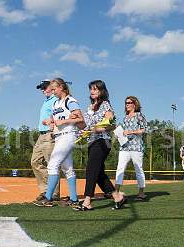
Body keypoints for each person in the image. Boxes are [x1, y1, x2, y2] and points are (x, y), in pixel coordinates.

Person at [74, 80, 125, 211]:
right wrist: (77, 124)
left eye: (95, 89)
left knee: (91, 169)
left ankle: (87, 201)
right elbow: (84, 126)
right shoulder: (89, 108)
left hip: (103, 141)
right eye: (91, 89)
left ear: (102, 91)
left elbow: (111, 124)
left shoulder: (106, 105)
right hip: (92, 142)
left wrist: (98, 129)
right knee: (99, 172)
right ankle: (117, 196)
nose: (92, 91)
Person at [33, 78, 85, 207]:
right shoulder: (56, 103)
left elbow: (80, 119)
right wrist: (49, 121)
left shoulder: (70, 101)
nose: (53, 91)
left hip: (68, 135)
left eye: (54, 89)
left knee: (52, 165)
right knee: (67, 169)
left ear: (61, 87)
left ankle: (48, 197)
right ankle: (73, 199)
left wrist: (64, 121)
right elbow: (55, 118)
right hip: (59, 136)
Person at [114, 96, 147, 202]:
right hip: (124, 147)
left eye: (129, 102)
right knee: (120, 168)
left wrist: (131, 132)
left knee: (138, 170)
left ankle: (141, 193)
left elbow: (144, 130)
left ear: (134, 104)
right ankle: (117, 192)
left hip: (136, 147)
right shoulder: (125, 117)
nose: (127, 104)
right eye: (126, 103)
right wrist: (118, 134)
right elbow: (122, 131)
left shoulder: (139, 115)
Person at [31, 80, 60, 201]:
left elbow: (60, 115)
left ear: (51, 87)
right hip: (41, 135)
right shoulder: (46, 101)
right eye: (41, 88)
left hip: (50, 135)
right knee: (35, 161)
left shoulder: (55, 100)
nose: (42, 90)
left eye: (44, 87)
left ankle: (54, 193)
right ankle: (45, 190)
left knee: (51, 164)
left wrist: (53, 123)